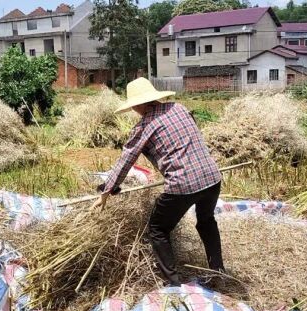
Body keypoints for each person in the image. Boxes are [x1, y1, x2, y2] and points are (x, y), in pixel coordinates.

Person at [91, 77, 226, 287]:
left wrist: (107, 190)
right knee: (206, 221)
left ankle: (173, 282)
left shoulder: (144, 127)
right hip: (211, 177)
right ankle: (218, 272)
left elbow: (126, 159)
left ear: (138, 104)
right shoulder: (180, 109)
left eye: (134, 105)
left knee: (157, 229)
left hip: (182, 185)